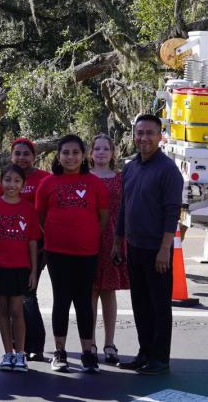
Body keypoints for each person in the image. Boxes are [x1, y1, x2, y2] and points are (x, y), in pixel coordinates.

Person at [114, 114, 183, 376]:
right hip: (134, 248)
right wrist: (118, 241)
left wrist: (165, 249)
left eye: (149, 133)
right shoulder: (131, 167)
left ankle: (160, 358)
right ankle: (145, 352)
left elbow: (171, 212)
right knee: (140, 304)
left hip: (157, 251)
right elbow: (124, 208)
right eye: (139, 133)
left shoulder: (168, 170)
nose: (144, 138)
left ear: (160, 136)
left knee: (159, 306)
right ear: (134, 135)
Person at [36, 134, 109, 374]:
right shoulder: (48, 183)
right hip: (57, 252)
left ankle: (89, 353)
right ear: (58, 156)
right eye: (65, 153)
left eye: (75, 152)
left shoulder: (94, 182)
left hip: (87, 252)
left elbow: (103, 216)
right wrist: (56, 236)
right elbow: (41, 217)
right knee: (62, 300)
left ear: (83, 155)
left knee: (84, 303)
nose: (70, 157)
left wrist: (87, 235)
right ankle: (60, 352)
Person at [0, 164, 41, 372]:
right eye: (7, 180)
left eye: (16, 181)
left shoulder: (28, 209)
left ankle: (20, 353)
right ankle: (8, 353)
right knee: (3, 310)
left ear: (23, 184)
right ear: (0, 182)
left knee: (17, 310)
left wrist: (33, 271)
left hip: (20, 267)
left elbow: (33, 242)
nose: (11, 184)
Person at [0, 137, 48, 361]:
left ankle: (35, 344)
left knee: (27, 295)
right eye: (18, 153)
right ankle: (15, 343)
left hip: (36, 245)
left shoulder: (45, 179)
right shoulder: (6, 179)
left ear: (34, 157)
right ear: (11, 155)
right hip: (9, 247)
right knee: (11, 299)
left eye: (26, 154)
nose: (22, 158)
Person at [89, 133, 128, 365]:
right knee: (90, 291)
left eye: (106, 148)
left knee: (109, 292)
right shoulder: (85, 177)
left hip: (114, 239)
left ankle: (110, 343)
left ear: (113, 153)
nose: (101, 152)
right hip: (89, 239)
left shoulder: (120, 178)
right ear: (90, 153)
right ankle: (90, 342)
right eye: (97, 149)